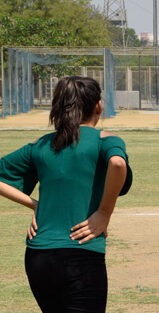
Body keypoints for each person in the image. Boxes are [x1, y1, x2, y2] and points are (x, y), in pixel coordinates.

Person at [0, 76, 132, 312]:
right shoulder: (106, 140)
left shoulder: (41, 145)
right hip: (81, 255)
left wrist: (35, 204)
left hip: (38, 256)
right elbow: (118, 164)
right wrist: (104, 212)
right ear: (98, 106)